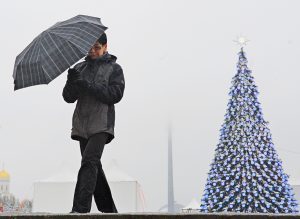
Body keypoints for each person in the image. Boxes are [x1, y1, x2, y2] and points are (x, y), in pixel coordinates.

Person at [62, 32, 125, 213]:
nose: (93, 51)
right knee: (94, 165)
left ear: (105, 47)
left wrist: (88, 86)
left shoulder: (115, 69)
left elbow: (115, 94)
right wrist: (71, 82)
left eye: (97, 47)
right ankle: (109, 211)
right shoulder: (79, 68)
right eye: (90, 47)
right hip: (82, 124)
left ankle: (80, 209)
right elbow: (68, 98)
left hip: (102, 124)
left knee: (89, 162)